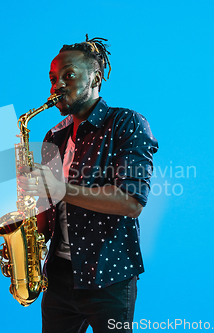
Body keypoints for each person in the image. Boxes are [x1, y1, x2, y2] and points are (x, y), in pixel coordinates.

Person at [18, 35, 159, 333]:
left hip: (108, 275)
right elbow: (48, 218)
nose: (57, 85)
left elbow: (131, 202)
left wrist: (59, 189)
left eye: (68, 75)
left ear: (95, 78)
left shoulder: (126, 123)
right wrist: (29, 215)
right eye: (53, 78)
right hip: (57, 276)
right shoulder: (53, 137)